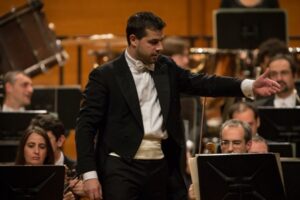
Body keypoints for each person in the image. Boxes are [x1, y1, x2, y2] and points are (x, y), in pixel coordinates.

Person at [75, 11, 280, 200]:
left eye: (161, 41)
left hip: (160, 165)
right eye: (153, 42)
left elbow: (203, 82)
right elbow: (85, 126)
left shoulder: (166, 66)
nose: (160, 47)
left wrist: (249, 85)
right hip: (121, 167)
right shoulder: (105, 75)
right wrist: (89, 174)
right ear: (133, 40)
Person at [30, 114, 87, 199]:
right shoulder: (28, 169)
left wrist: (87, 191)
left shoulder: (80, 170)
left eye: (46, 139)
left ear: (60, 140)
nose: (37, 148)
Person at [15, 126, 76, 200]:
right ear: (22, 149)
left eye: (42, 147)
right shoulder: (9, 177)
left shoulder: (57, 181)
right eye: (31, 146)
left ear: (47, 152)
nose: (36, 151)